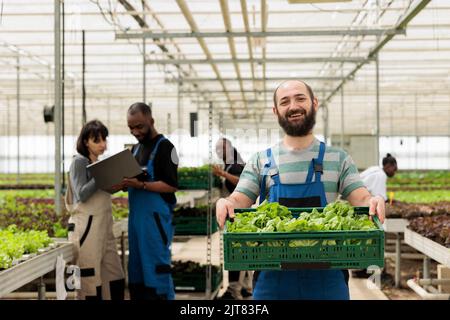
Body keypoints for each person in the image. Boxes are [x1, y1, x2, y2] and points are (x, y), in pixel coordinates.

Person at [215, 80, 386, 300]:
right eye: (285, 101)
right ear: (276, 111)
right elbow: (240, 198)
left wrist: (373, 200)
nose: (293, 106)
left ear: (314, 104)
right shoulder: (261, 161)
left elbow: (361, 197)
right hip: (272, 281)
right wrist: (227, 202)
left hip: (327, 279)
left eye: (300, 98)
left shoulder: (339, 158)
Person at [119, 102, 178, 300]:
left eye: (139, 126)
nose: (135, 131)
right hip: (136, 221)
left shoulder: (167, 148)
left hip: (156, 223)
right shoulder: (135, 150)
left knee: (156, 268)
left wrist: (141, 185)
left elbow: (171, 185)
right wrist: (126, 182)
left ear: (151, 121)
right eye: (131, 128)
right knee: (136, 270)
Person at [65, 120, 125, 300]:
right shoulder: (79, 162)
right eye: (97, 140)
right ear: (85, 142)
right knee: (89, 279)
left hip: (104, 228)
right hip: (87, 229)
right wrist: (103, 174)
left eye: (104, 140)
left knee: (114, 275)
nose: (103, 145)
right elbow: (82, 194)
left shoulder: (99, 163)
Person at [212, 138, 252, 300]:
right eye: (217, 150)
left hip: (238, 213)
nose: (219, 153)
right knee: (241, 249)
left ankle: (235, 289)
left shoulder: (236, 164)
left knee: (237, 250)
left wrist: (222, 174)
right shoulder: (231, 163)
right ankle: (245, 287)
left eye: (221, 149)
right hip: (233, 211)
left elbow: (242, 183)